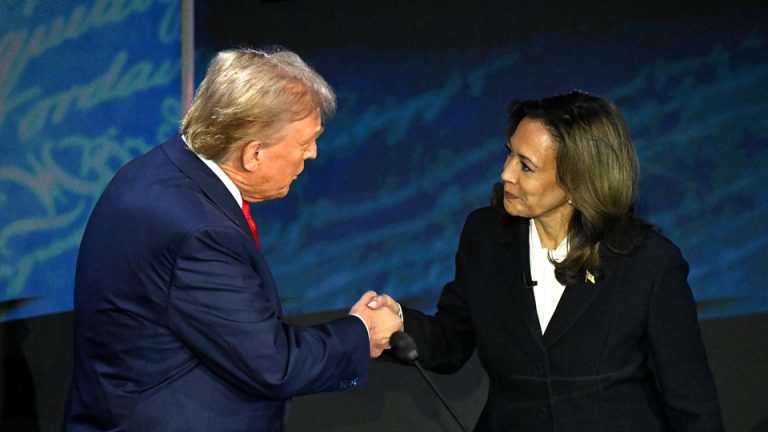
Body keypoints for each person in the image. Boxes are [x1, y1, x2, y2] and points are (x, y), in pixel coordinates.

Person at [63, 48, 403, 431]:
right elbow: (273, 365)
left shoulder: (158, 171)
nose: (312, 153)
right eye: (305, 142)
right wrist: (362, 332)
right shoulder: (199, 230)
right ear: (253, 153)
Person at [371, 91, 724, 431]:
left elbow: (691, 401)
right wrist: (398, 324)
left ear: (577, 180)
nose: (506, 174)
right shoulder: (486, 236)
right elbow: (451, 341)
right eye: (509, 155)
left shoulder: (649, 263)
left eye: (526, 166)